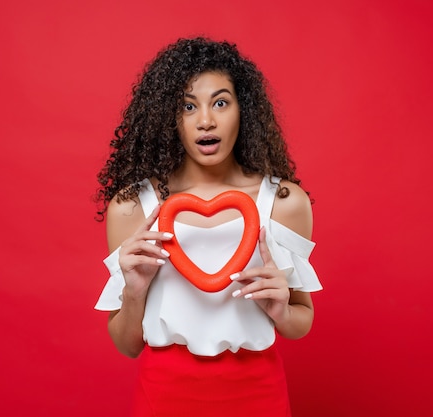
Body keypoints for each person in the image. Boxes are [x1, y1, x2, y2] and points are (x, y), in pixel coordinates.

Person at [94, 37, 322, 417]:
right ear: (168, 115)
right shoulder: (132, 206)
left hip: (257, 394)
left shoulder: (284, 202)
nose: (205, 120)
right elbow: (127, 344)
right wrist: (135, 292)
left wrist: (281, 309)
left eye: (220, 102)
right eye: (188, 106)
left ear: (242, 110)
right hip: (163, 397)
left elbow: (301, 322)